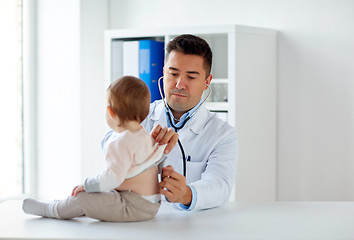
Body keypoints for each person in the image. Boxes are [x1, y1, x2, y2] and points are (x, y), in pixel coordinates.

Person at [104, 34, 239, 211]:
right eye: (173, 73)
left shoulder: (223, 134)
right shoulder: (139, 115)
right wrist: (141, 144)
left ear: (207, 82)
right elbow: (108, 148)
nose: (180, 84)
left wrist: (187, 194)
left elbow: (220, 186)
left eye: (191, 77)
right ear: (163, 72)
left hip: (191, 227)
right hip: (135, 217)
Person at [22, 76, 178, 222]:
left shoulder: (120, 143)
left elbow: (112, 179)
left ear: (110, 112)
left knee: (83, 197)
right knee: (100, 195)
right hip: (150, 204)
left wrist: (87, 185)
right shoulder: (143, 136)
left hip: (134, 206)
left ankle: (52, 209)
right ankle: (68, 206)